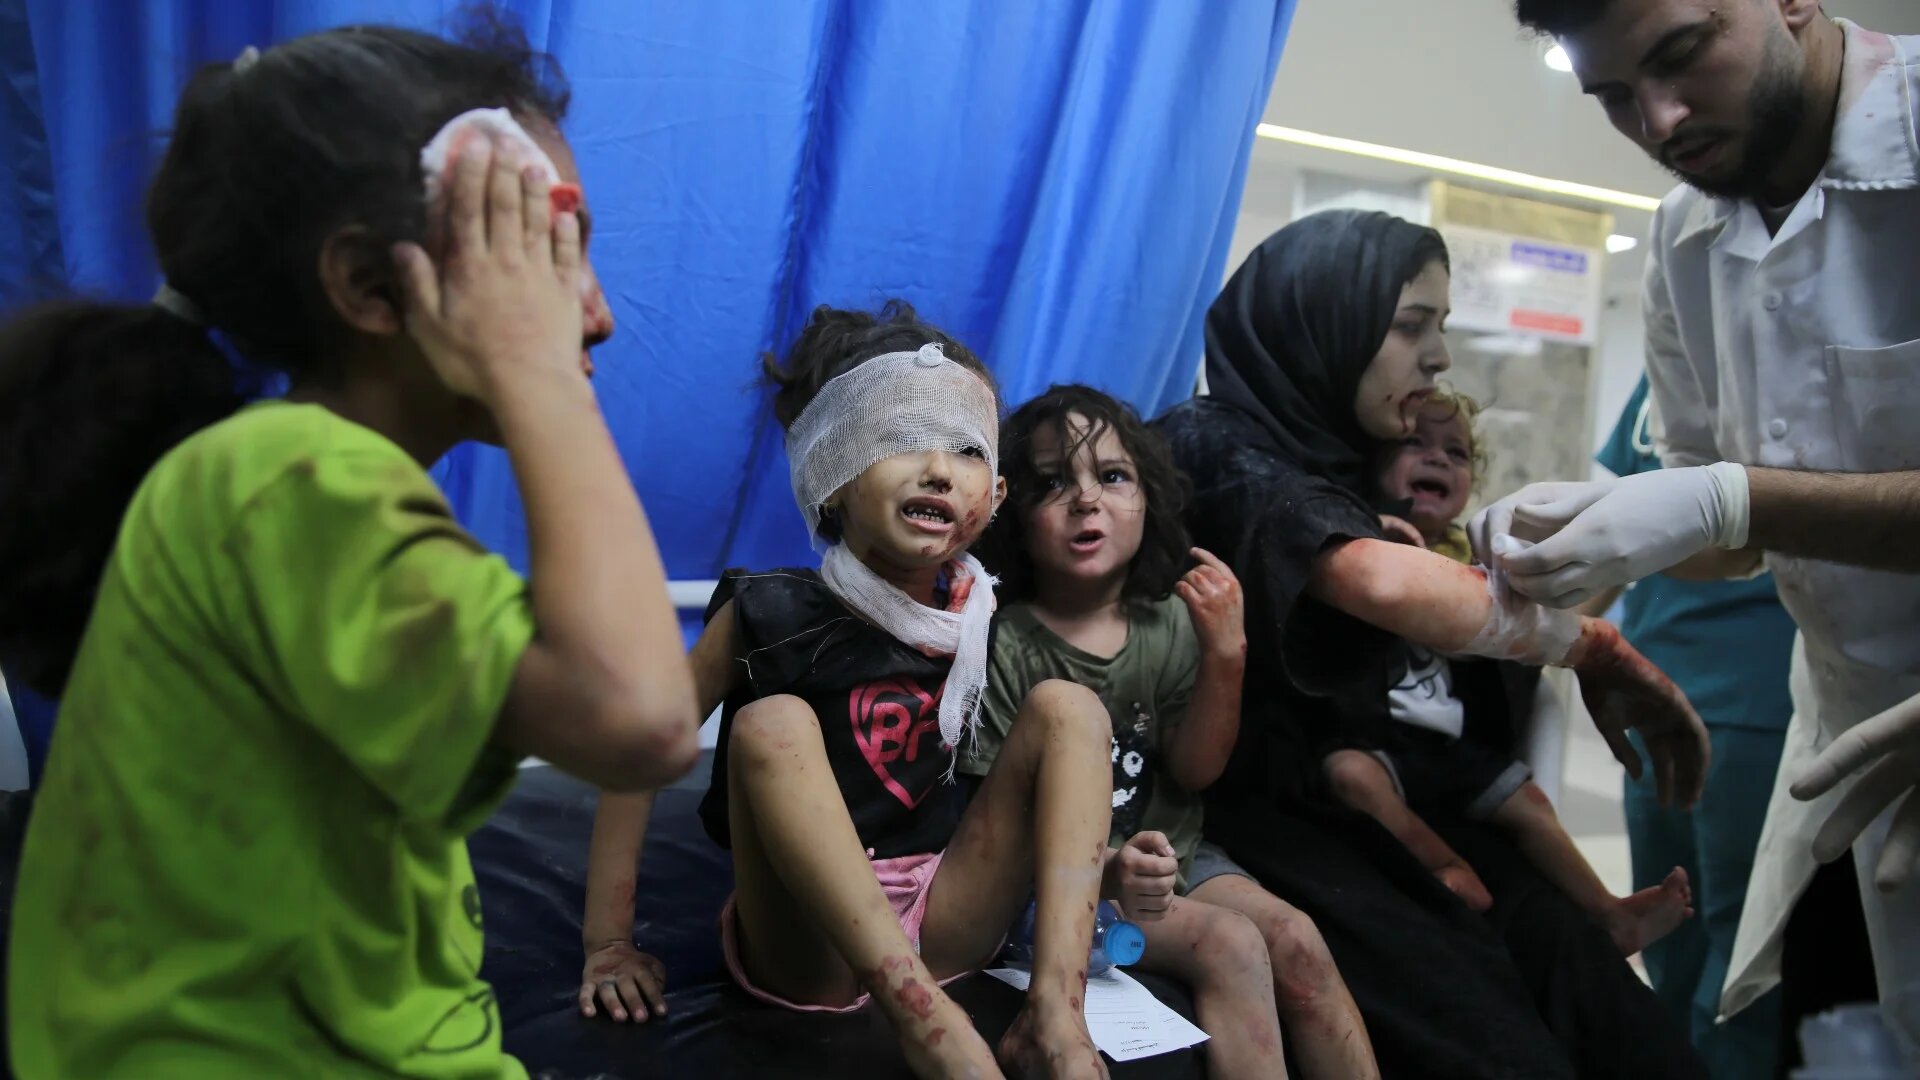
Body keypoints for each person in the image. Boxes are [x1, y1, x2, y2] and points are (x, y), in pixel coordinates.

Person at [0, 17, 703, 1077]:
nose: (594, 313)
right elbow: (640, 720)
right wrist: (539, 374)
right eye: (547, 250)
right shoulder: (285, 481)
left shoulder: (295, 484)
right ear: (373, 289)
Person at [1155, 209, 1709, 1079]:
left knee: (1591, 984)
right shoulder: (1213, 442)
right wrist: (1596, 646)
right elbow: (1373, 580)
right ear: (1324, 319)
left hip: (1345, 810)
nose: (1439, 355)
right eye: (1412, 324)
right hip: (1236, 822)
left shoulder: (1327, 465)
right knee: (1483, 1024)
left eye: (1440, 327)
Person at [1501, 2, 1920, 1060]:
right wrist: (1601, 524)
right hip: (1845, 736)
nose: (1660, 118)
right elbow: (1728, 530)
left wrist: (1735, 499)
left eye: (1682, 56)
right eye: (1612, 98)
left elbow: (1741, 507)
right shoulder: (1687, 236)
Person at [579, 303, 1114, 1080]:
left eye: (965, 447)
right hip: (811, 942)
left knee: (1072, 707)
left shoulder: (979, 618)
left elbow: (1051, 795)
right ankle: (928, 1025)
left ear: (993, 496)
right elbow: (637, 759)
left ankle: (1056, 1018)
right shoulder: (767, 611)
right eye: (900, 438)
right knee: (773, 722)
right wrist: (608, 943)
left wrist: (1127, 867)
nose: (938, 467)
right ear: (828, 474)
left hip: (942, 909)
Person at [963, 384, 1378, 1080]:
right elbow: (994, 829)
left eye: (1112, 475)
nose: (1086, 498)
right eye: (1053, 482)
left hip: (1180, 858)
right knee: (1232, 945)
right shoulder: (1004, 644)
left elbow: (1194, 770)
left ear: (1149, 496)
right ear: (1014, 510)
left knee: (1298, 942)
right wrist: (1112, 870)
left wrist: (1225, 656)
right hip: (1063, 886)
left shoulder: (1170, 624)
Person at [1328, 388, 1695, 958]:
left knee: (1529, 803)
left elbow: (1501, 639)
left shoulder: (1477, 558)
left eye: (1456, 452)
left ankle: (1608, 913)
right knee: (1352, 778)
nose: (1438, 458)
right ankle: (1445, 864)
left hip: (1449, 744)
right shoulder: (1357, 537)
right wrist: (1378, 538)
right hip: (1376, 741)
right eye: (1415, 443)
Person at [1575, 375, 1799, 1079]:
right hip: (1653, 687)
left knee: (1744, 960)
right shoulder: (1663, 377)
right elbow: (1616, 540)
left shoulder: (1785, 367)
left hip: (1761, 692)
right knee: (1667, 925)